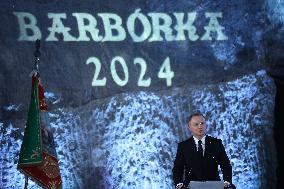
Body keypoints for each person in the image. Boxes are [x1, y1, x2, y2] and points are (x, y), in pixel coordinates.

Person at [172, 112, 235, 189]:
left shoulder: (216, 143)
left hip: (213, 186)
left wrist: (227, 182)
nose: (200, 126)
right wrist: (179, 184)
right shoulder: (183, 146)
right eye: (196, 124)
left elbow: (226, 165)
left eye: (202, 123)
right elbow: (178, 168)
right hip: (191, 186)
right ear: (189, 127)